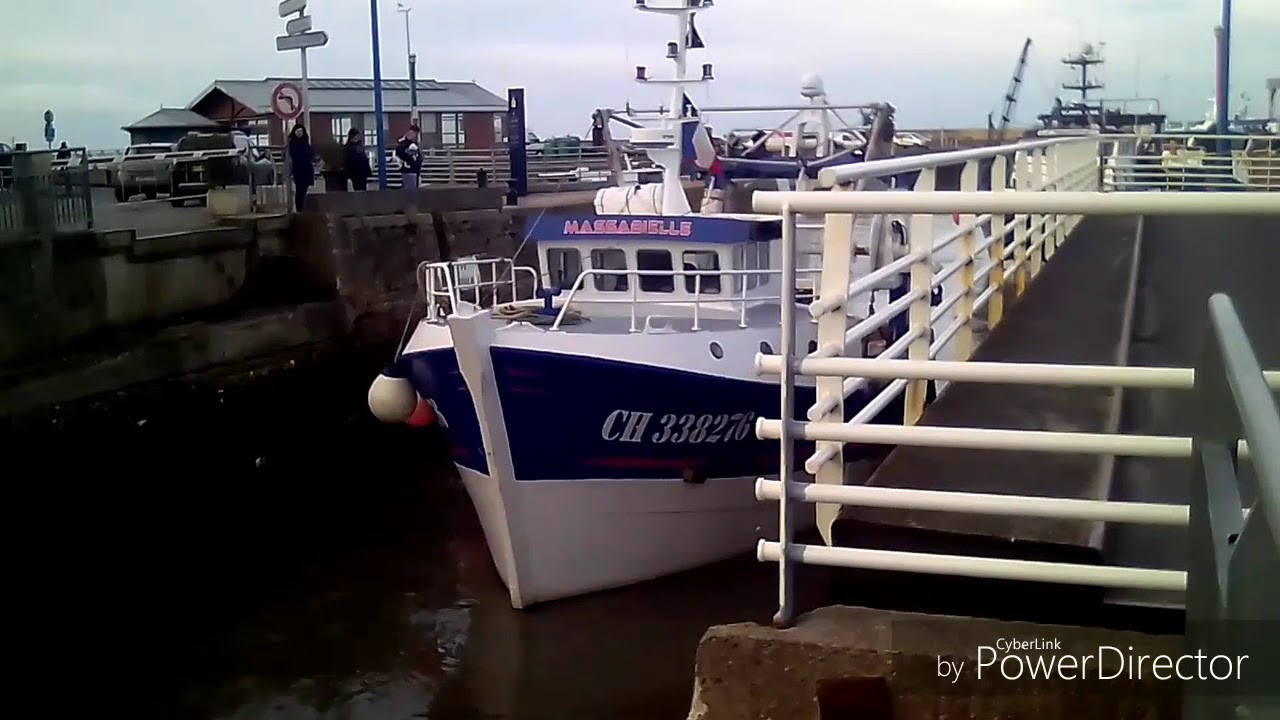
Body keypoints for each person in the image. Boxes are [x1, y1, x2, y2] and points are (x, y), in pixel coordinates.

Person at [286, 123, 314, 211]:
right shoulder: (293, 143)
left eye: (301, 131)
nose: (299, 133)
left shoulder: (305, 142)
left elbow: (310, 154)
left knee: (304, 189)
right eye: (298, 131)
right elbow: (294, 155)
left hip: (307, 169)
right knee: (299, 190)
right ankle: (299, 208)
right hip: (298, 169)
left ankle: (302, 207)